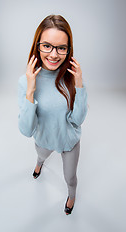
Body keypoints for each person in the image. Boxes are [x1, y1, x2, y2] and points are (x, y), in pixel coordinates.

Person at [18, 14, 88, 215]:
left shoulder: (73, 78)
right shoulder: (25, 82)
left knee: (70, 178)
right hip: (44, 140)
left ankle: (71, 196)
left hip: (69, 142)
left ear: (68, 50)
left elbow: (77, 120)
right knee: (41, 156)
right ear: (37, 46)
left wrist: (80, 86)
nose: (54, 54)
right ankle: (39, 164)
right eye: (47, 46)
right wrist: (31, 90)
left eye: (61, 48)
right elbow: (26, 130)